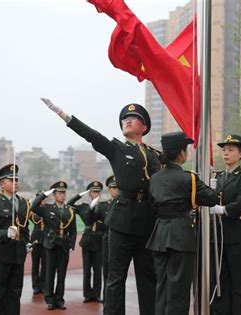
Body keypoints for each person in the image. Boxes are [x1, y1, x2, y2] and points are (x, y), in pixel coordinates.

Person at [41, 98, 160, 315]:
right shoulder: (116, 148)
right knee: (115, 279)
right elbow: (92, 135)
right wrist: (63, 115)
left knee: (148, 279)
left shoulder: (154, 155)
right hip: (121, 222)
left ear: (144, 127)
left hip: (146, 223)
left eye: (133, 118)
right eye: (125, 119)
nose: (127, 121)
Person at [147, 132, 221, 315]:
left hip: (159, 235)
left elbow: (152, 206)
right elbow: (212, 199)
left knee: (162, 288)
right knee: (179, 290)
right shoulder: (189, 178)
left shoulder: (154, 179)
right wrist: (212, 184)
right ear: (181, 153)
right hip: (181, 235)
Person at [208, 134, 241, 315]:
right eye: (224, 150)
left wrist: (225, 210)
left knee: (238, 285)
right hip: (217, 238)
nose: (226, 153)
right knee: (218, 284)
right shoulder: (216, 177)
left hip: (237, 237)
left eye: (231, 150)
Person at [0, 164, 31, 315]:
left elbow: (25, 228)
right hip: (1, 253)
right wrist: (6, 233)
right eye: (11, 180)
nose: (15, 182)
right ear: (2, 184)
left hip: (18, 253)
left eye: (17, 179)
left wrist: (27, 242)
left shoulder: (24, 203)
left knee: (15, 292)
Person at [31, 181, 76, 310]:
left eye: (63, 193)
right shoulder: (47, 208)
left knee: (61, 274)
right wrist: (44, 195)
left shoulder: (70, 210)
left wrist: (71, 244)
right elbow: (34, 206)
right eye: (59, 193)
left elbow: (72, 230)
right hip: (50, 244)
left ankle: (59, 299)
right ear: (54, 195)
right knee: (49, 273)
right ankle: (50, 299)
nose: (62, 195)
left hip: (63, 246)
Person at [67, 181, 103, 303]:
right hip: (87, 241)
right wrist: (80, 194)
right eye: (93, 192)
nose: (96, 194)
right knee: (87, 269)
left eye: (98, 192)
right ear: (89, 194)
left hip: (99, 241)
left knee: (98, 270)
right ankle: (87, 294)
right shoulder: (83, 207)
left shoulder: (104, 206)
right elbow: (69, 204)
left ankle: (97, 294)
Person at [94, 175, 117, 301]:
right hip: (107, 240)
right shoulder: (102, 206)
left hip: (121, 243)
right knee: (107, 273)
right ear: (109, 189)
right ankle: (107, 299)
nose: (116, 190)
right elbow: (90, 219)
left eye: (117, 187)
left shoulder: (125, 205)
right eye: (113, 187)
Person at [29, 190, 47, 295]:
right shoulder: (33, 211)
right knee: (35, 264)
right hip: (36, 239)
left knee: (45, 264)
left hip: (46, 239)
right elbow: (35, 220)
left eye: (43, 198)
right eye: (40, 198)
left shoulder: (48, 209)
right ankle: (36, 285)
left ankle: (43, 285)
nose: (42, 200)